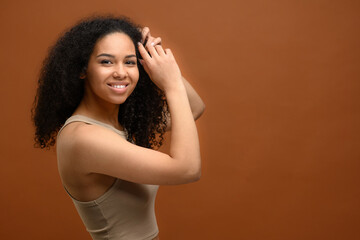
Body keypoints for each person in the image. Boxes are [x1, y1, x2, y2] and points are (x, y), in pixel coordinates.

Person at [32, 15, 205, 240]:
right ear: (82, 69)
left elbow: (194, 108)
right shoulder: (84, 138)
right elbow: (187, 169)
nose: (121, 72)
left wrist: (156, 56)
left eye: (130, 62)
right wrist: (170, 83)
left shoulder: (117, 123)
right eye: (106, 61)